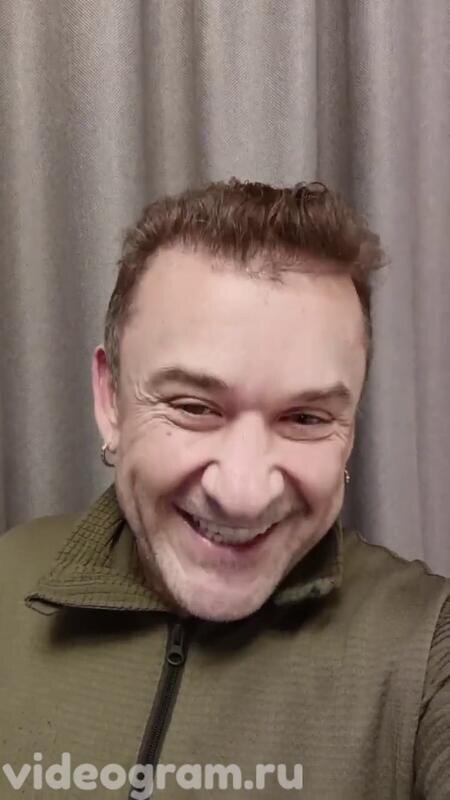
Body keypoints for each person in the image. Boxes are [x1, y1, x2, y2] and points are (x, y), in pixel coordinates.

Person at [0, 179, 449, 800]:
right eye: (194, 407)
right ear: (111, 400)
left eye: (306, 418)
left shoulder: (427, 645)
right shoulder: (9, 572)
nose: (243, 493)